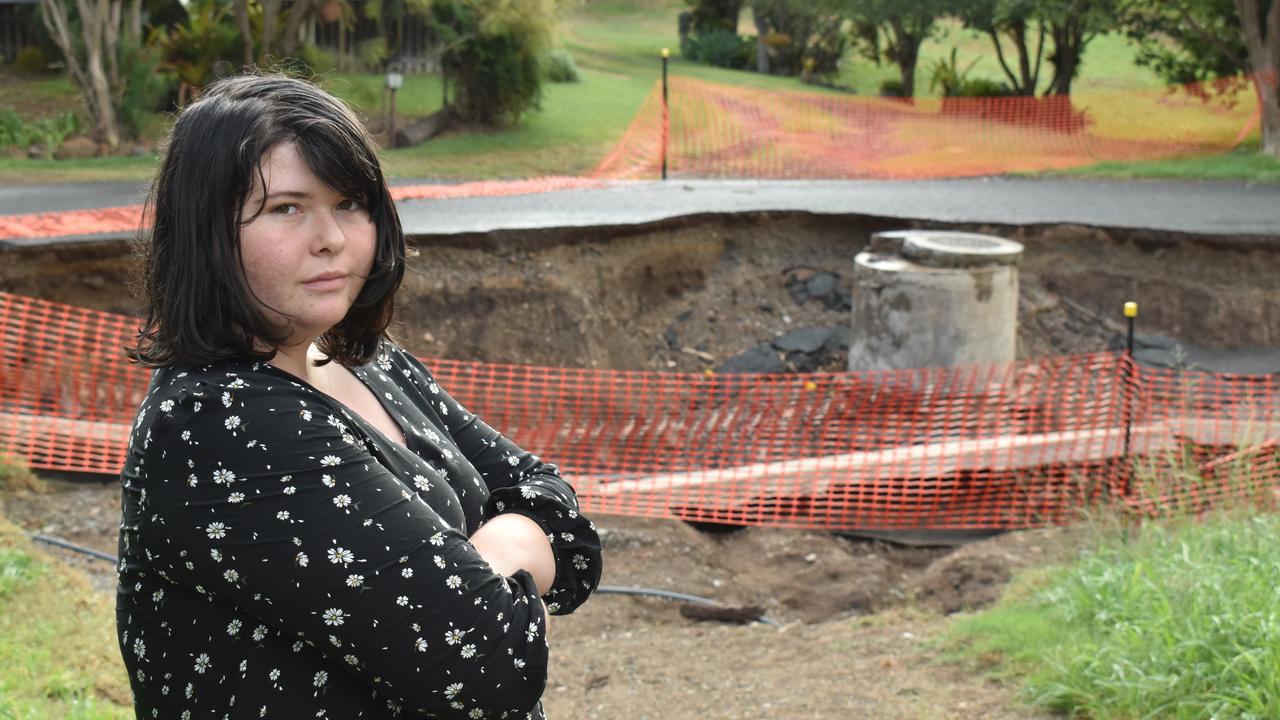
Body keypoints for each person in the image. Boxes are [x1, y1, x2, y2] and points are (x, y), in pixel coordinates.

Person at [117, 73, 602, 719]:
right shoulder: (220, 420)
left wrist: (490, 564)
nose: (333, 238)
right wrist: (507, 553)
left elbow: (562, 515)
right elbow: (490, 662)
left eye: (349, 203)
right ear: (208, 232)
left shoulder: (365, 359)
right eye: (286, 208)